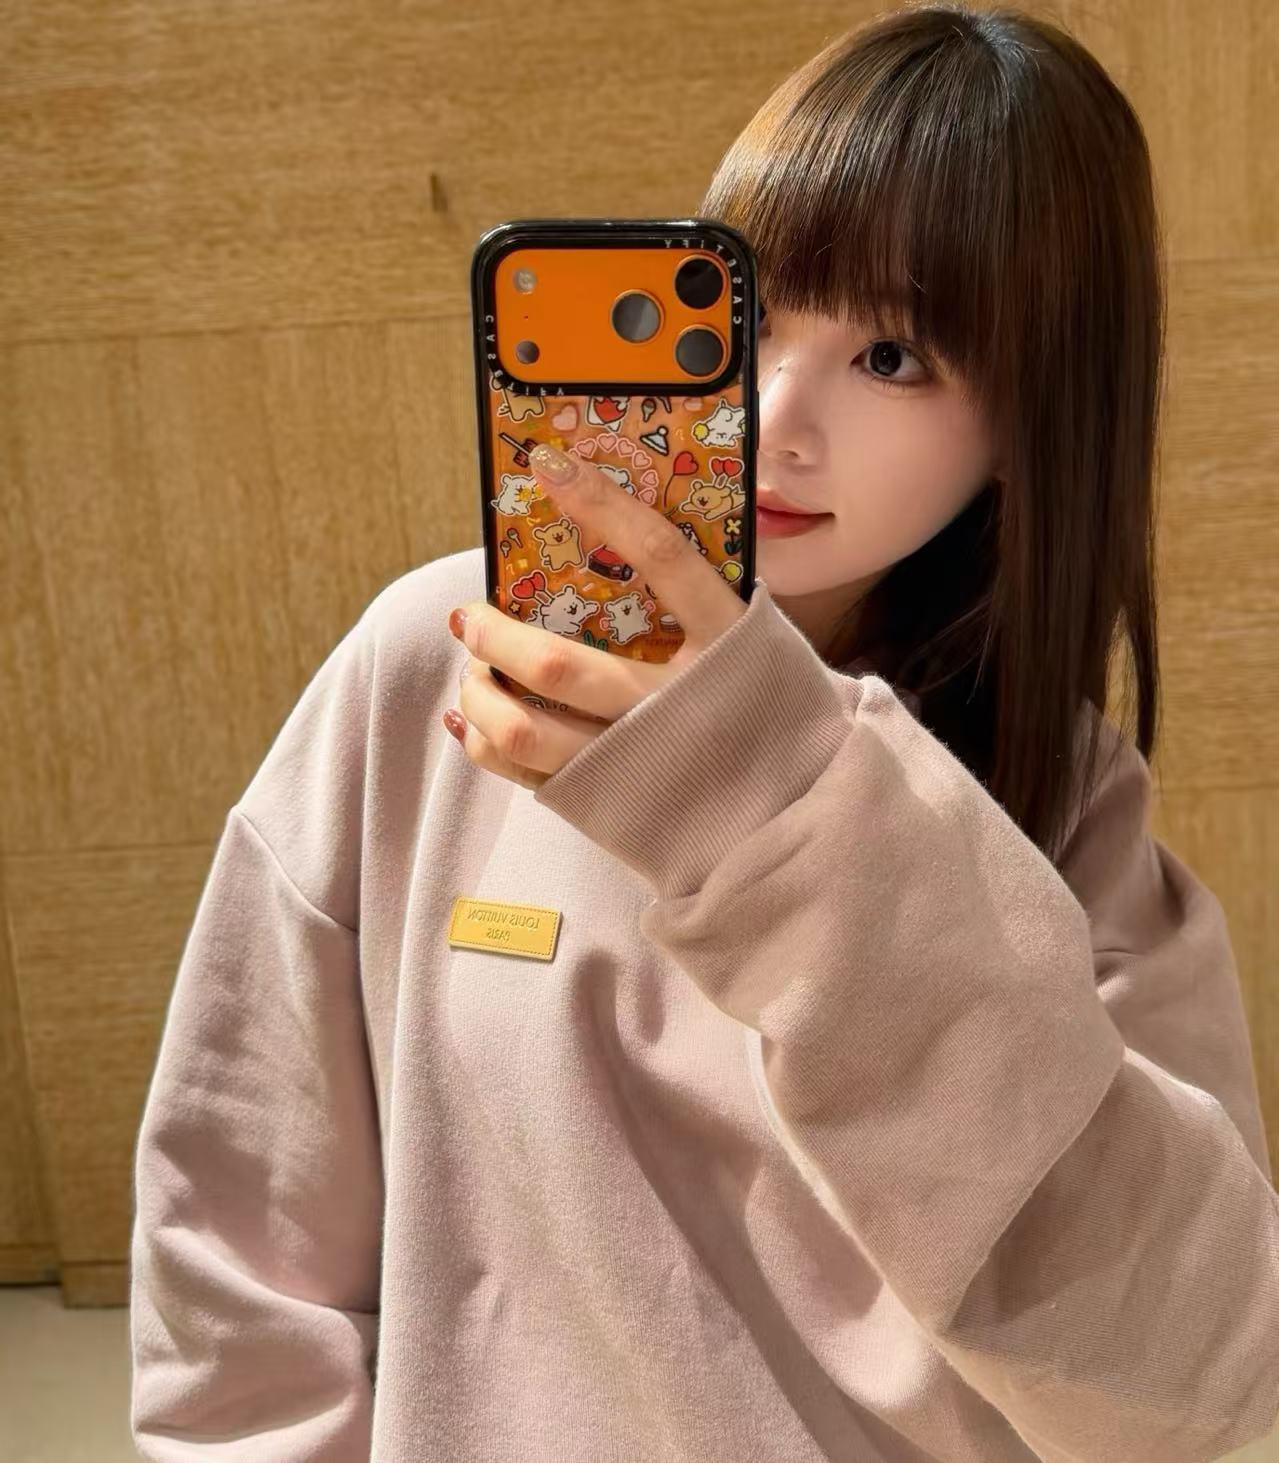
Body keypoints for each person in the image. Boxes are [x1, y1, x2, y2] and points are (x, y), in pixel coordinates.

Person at [129, 5, 1278, 1460]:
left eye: (895, 357)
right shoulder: (441, 663)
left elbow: (1188, 1382)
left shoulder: (1063, 794)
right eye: (748, 310)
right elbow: (239, 1259)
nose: (775, 415)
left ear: (1029, 426)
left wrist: (777, 805)